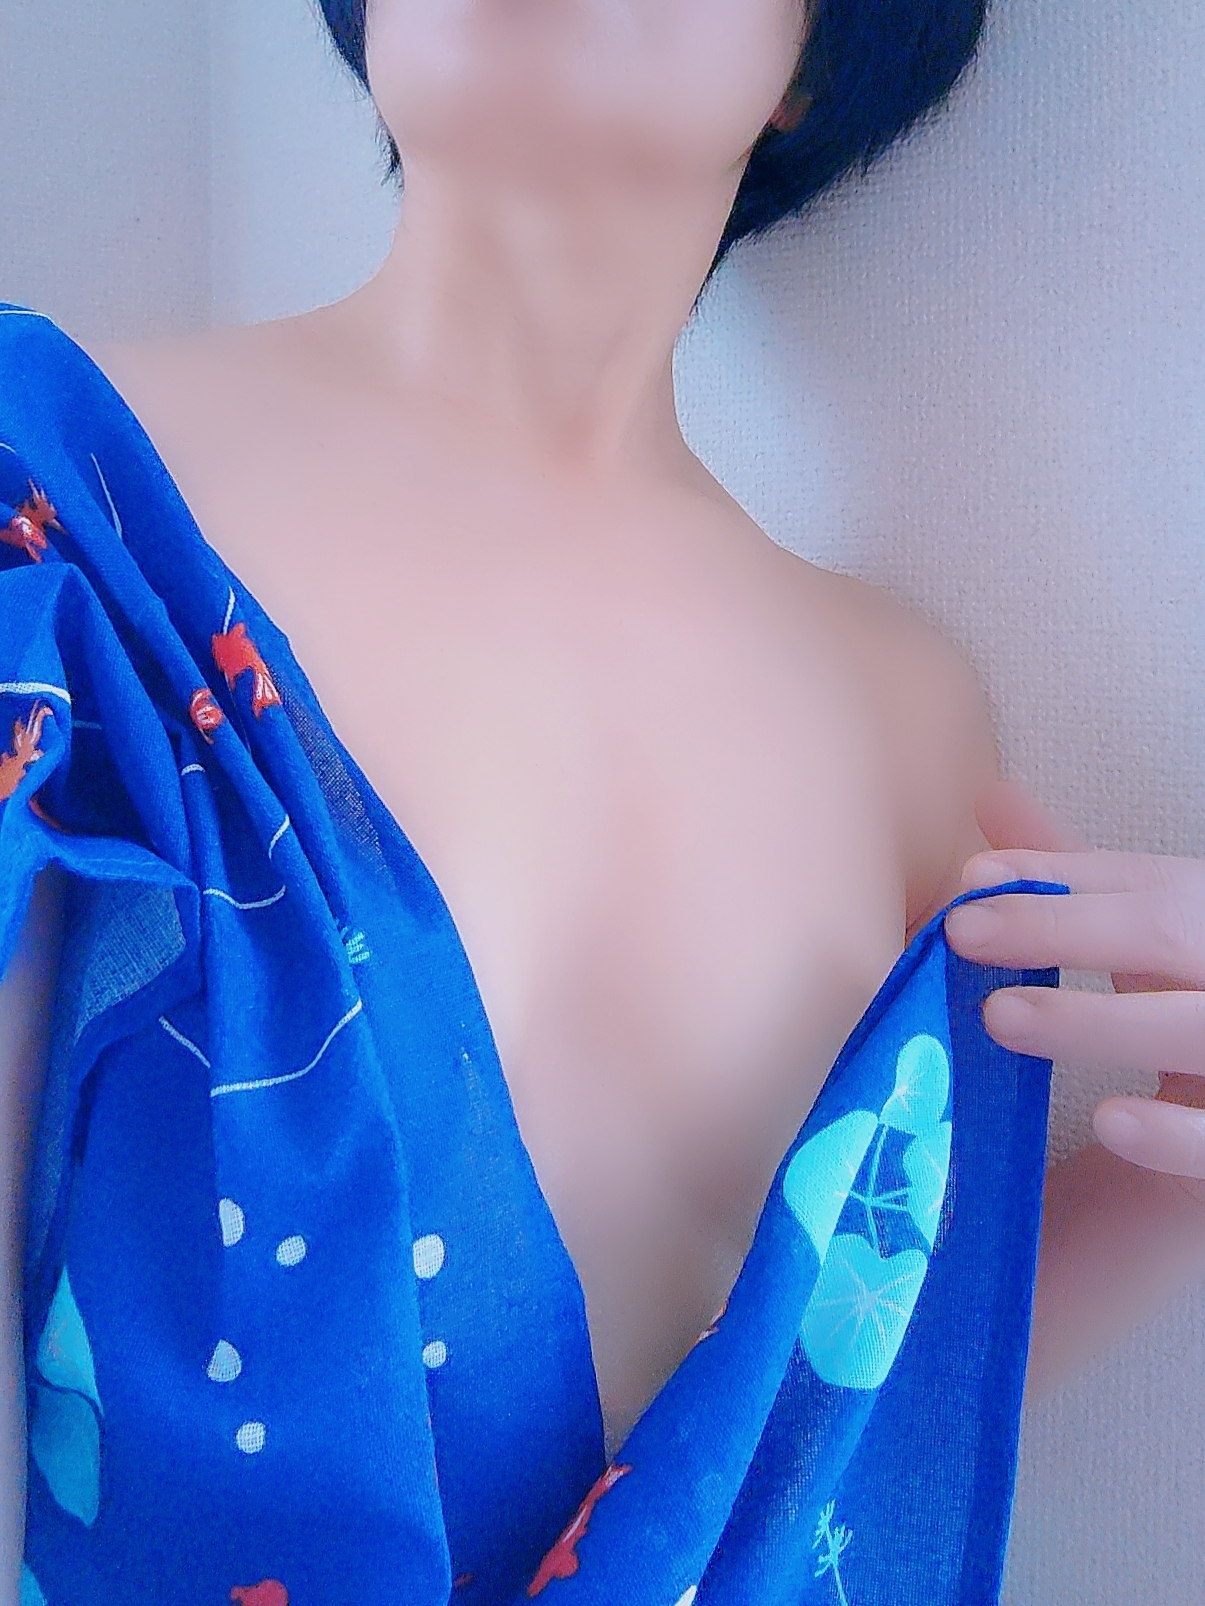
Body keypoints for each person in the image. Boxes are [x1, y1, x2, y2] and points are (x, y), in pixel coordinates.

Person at [1, 1, 1202, 1602]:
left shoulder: (901, 708)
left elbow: (839, 1401)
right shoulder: (57, 500)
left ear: (819, 57)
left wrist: (1177, 1152)